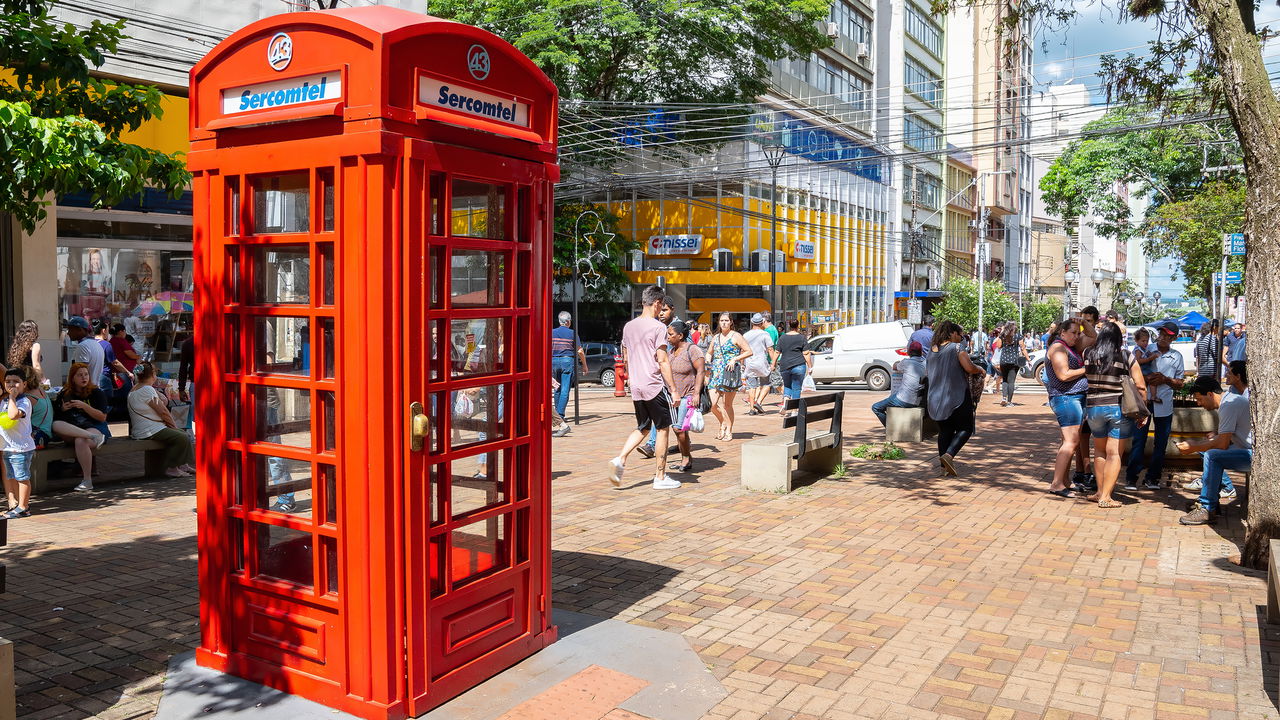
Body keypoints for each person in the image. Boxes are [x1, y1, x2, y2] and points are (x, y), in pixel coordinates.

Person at [607, 286, 682, 490]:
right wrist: (674, 389)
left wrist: (630, 377)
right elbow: (663, 360)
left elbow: (626, 356)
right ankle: (660, 476)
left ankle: (620, 458)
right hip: (654, 384)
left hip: (637, 385)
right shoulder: (658, 327)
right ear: (657, 303)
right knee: (663, 428)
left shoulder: (629, 326)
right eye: (661, 306)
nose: (661, 310)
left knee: (643, 427)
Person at [1082, 321, 1147, 508]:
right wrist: (1142, 411)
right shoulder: (1126, 356)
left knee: (1099, 451)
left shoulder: (1088, 353)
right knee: (1114, 453)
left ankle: (1099, 492)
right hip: (1117, 408)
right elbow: (1141, 386)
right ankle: (1106, 497)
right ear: (1119, 338)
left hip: (1093, 408)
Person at [1177, 363, 1251, 525]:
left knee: (1212, 455)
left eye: (1199, 399)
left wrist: (1193, 446)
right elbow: (1223, 439)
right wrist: (1200, 445)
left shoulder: (1229, 405)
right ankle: (1212, 502)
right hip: (1245, 449)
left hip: (1252, 455)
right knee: (1208, 451)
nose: (1199, 404)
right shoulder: (1229, 400)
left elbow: (1222, 444)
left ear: (1210, 394)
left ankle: (1207, 508)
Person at [1125, 321, 1184, 492]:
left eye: (1168, 336)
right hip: (1144, 403)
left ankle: (1153, 477)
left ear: (1174, 338)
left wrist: (1165, 379)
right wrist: (1146, 379)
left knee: (1161, 443)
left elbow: (1180, 383)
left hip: (1164, 405)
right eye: (1162, 334)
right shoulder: (1145, 349)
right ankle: (1131, 477)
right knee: (1138, 440)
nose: (1163, 338)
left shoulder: (1177, 356)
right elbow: (1131, 372)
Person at [926, 321, 984, 477]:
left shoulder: (932, 350)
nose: (961, 338)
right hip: (956, 396)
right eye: (960, 335)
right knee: (966, 428)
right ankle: (949, 455)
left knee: (945, 430)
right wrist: (980, 369)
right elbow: (969, 367)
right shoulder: (956, 348)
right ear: (952, 333)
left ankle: (944, 468)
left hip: (935, 398)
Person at [127, 362, 196, 478]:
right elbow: (163, 411)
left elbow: (161, 403)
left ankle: (183, 464)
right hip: (149, 430)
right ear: (152, 375)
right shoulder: (147, 389)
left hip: (144, 429)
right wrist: (173, 426)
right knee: (182, 437)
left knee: (182, 434)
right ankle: (172, 468)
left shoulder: (136, 388)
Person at [1045, 320, 1089, 496]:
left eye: (1078, 333)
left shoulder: (1068, 347)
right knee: (1071, 442)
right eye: (1073, 332)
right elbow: (1063, 375)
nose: (1077, 336)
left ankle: (1064, 480)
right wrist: (1086, 369)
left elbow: (1093, 336)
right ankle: (1057, 484)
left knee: (1068, 441)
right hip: (1066, 398)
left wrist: (1083, 322)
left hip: (1072, 398)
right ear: (1062, 332)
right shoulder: (1058, 348)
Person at [53, 362, 110, 491]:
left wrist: (84, 406)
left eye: (86, 374)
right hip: (75, 429)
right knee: (55, 425)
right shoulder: (65, 393)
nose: (84, 378)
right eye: (80, 375)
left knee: (81, 441)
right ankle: (93, 437)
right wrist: (62, 409)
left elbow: (102, 417)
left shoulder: (96, 392)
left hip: (95, 426)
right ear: (72, 378)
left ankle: (87, 480)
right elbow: (57, 417)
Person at [664, 320, 704, 473]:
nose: (668, 337)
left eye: (671, 334)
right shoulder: (671, 351)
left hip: (687, 395)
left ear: (680, 335)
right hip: (673, 396)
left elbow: (701, 371)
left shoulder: (692, 350)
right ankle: (687, 457)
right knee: (680, 429)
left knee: (678, 428)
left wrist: (696, 393)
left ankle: (686, 458)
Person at [706, 312, 753, 441]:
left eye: (726, 320)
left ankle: (728, 430)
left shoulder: (736, 336)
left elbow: (749, 351)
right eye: (722, 320)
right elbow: (709, 353)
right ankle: (723, 422)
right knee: (712, 404)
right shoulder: (716, 337)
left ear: (731, 322)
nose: (724, 323)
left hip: (729, 373)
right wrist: (708, 361)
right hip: (716, 373)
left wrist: (735, 359)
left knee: (727, 404)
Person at [1, 366, 37, 518]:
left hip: (21, 448)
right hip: (8, 447)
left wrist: (12, 397)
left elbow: (13, 415)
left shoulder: (24, 402)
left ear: (24, 384)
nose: (11, 385)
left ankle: (24, 507)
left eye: (16, 381)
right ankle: (17, 506)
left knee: (22, 478)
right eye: (8, 381)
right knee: (13, 477)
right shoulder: (4, 401)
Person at [872, 341, 925, 426]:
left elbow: (895, 366)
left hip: (903, 400)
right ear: (921, 352)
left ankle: (891, 428)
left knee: (876, 407)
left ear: (909, 352)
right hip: (918, 401)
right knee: (893, 397)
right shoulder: (926, 363)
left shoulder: (906, 362)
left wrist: (897, 362)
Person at [550, 311, 589, 429]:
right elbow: (580, 351)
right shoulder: (572, 333)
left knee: (557, 388)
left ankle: (556, 415)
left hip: (553, 361)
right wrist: (584, 365)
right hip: (567, 361)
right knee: (565, 390)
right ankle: (560, 416)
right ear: (567, 322)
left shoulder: (551, 332)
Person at [771, 320, 811, 417]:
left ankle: (785, 404)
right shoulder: (802, 338)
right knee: (796, 388)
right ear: (798, 326)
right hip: (799, 365)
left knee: (787, 385)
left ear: (789, 326)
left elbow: (777, 352)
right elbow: (806, 353)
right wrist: (810, 366)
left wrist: (773, 364)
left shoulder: (783, 337)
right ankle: (794, 410)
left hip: (785, 365)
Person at [742, 313, 774, 415]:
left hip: (749, 363)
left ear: (752, 322)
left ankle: (752, 408)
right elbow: (770, 349)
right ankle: (758, 402)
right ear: (762, 323)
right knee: (767, 383)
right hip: (762, 363)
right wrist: (773, 362)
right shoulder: (765, 334)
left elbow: (742, 350)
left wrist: (742, 363)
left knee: (752, 387)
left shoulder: (746, 335)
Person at [996, 324, 1030, 407]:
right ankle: (1009, 402)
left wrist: (1001, 335)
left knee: (1004, 380)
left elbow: (998, 346)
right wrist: (1028, 359)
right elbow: (1023, 348)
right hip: (1014, 361)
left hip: (1003, 360)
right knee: (1011, 381)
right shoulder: (1018, 336)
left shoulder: (1002, 335)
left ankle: (1004, 398)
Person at [6, 319, 46, 387]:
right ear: (34, 332)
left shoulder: (16, 346)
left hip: (17, 382)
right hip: (30, 382)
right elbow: (36, 366)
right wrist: (44, 381)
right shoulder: (35, 346)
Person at [66, 317, 104, 387]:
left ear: (80, 330)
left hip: (85, 390)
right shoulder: (97, 344)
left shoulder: (83, 346)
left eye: (70, 330)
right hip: (94, 388)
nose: (68, 333)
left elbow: (81, 373)